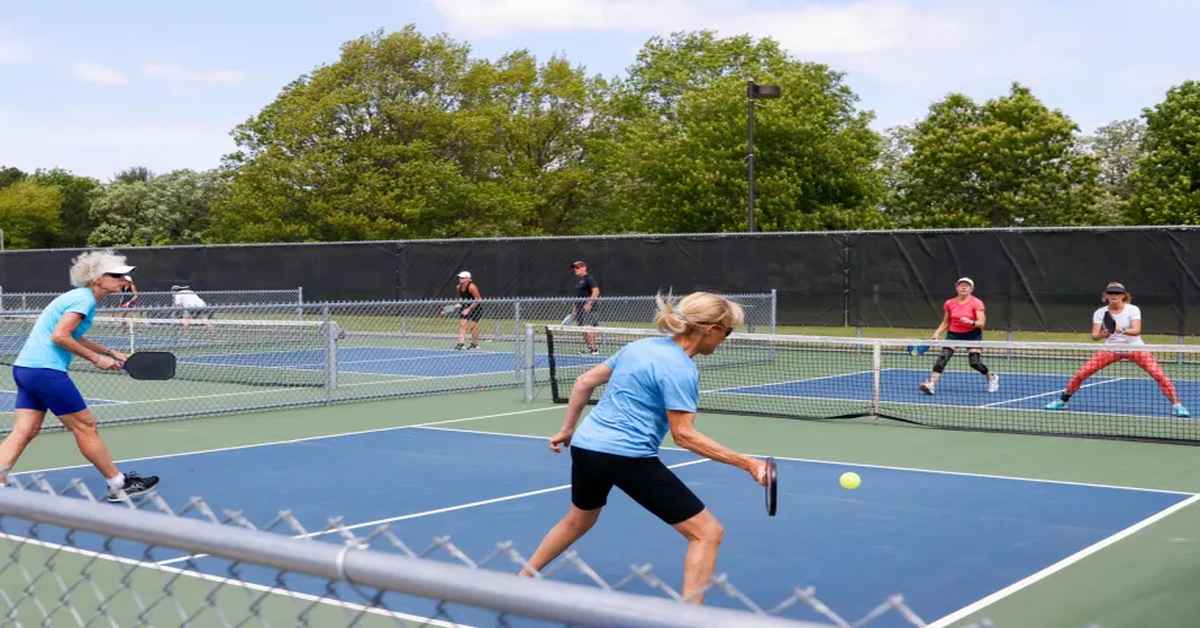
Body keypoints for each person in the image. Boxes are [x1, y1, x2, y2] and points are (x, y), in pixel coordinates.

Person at [519, 292, 768, 604]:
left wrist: (567, 430)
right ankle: (692, 617)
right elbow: (684, 436)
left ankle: (522, 578)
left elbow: (584, 381)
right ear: (711, 329)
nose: (726, 340)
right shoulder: (680, 369)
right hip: (626, 456)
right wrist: (748, 463)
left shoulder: (640, 347)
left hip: (586, 446)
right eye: (728, 332)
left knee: (578, 519)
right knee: (707, 532)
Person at [0, 250, 160, 501]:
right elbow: (60, 336)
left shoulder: (81, 298)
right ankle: (118, 484)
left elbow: (73, 335)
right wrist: (97, 359)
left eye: (124, 276)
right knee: (86, 426)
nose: (123, 280)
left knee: (25, 430)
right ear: (97, 278)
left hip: (26, 369)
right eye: (116, 275)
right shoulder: (83, 299)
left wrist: (109, 352)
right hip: (45, 370)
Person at [1046, 282, 1189, 417]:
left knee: (1159, 375)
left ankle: (1177, 405)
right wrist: (1104, 334)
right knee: (1081, 374)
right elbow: (1095, 336)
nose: (1114, 295)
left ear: (1123, 295)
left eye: (1117, 293)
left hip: (1135, 348)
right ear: (1106, 295)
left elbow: (1137, 331)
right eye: (1111, 293)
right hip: (1110, 349)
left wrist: (1121, 330)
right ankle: (1062, 401)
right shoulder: (1100, 312)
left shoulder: (1133, 309)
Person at [919, 277, 1000, 395]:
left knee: (975, 363)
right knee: (943, 358)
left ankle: (991, 377)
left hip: (972, 335)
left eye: (966, 286)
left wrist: (970, 322)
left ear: (971, 289)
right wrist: (936, 333)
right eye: (961, 285)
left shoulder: (977, 303)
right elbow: (946, 321)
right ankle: (931, 384)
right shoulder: (949, 303)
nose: (963, 287)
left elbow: (981, 323)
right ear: (957, 288)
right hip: (954, 334)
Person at [571, 260, 601, 355]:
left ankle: (594, 350)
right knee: (583, 330)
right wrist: (575, 309)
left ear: (584, 268)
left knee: (588, 328)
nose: (575, 270)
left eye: (578, 267)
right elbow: (578, 296)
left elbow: (596, 291)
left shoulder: (589, 279)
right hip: (580, 309)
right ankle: (590, 348)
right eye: (575, 268)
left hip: (588, 309)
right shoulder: (580, 281)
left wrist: (589, 304)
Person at [454, 271, 483, 350]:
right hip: (465, 307)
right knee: (462, 324)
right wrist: (459, 304)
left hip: (476, 307)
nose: (460, 279)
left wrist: (469, 309)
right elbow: (461, 298)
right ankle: (461, 344)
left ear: (468, 279)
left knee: (473, 327)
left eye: (462, 278)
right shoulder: (458, 287)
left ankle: (475, 344)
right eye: (460, 278)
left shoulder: (472, 287)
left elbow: (479, 299)